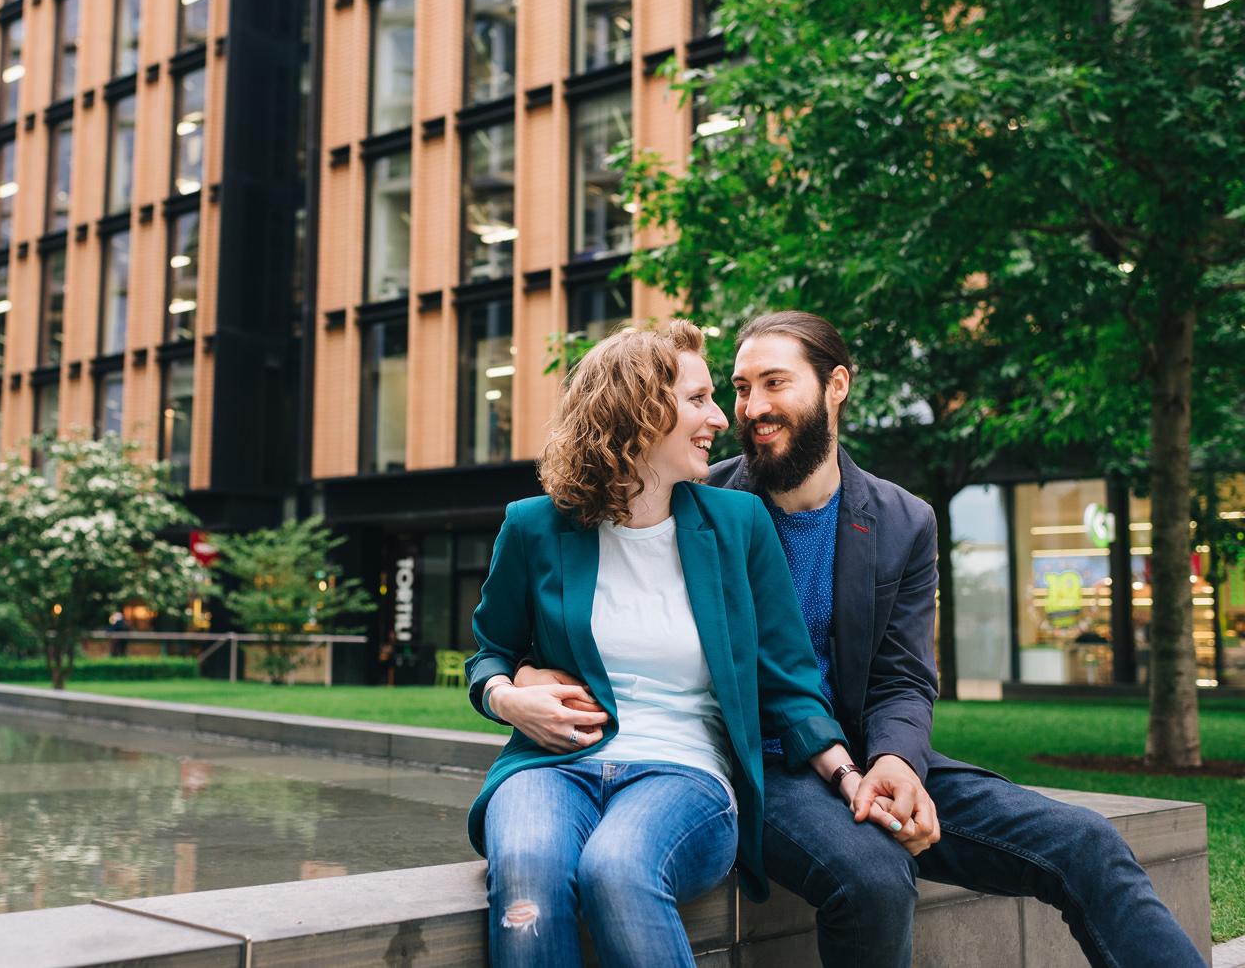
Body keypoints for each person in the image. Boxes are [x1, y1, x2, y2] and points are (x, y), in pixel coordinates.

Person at [516, 311, 1204, 968]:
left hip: (870, 754)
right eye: (740, 388)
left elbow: (904, 677)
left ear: (835, 386)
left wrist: (898, 762)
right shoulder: (694, 500)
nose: (750, 408)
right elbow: (597, 601)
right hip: (763, 764)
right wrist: (518, 676)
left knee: (1086, 842)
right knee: (873, 880)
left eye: (775, 383)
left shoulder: (904, 521)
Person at [466, 321, 901, 968]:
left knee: (618, 866)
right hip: (549, 770)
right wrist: (507, 699)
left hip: (683, 773)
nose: (722, 418)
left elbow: (787, 679)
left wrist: (845, 772)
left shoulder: (738, 524)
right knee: (528, 871)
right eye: (698, 399)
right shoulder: (534, 527)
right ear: (638, 410)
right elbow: (489, 652)